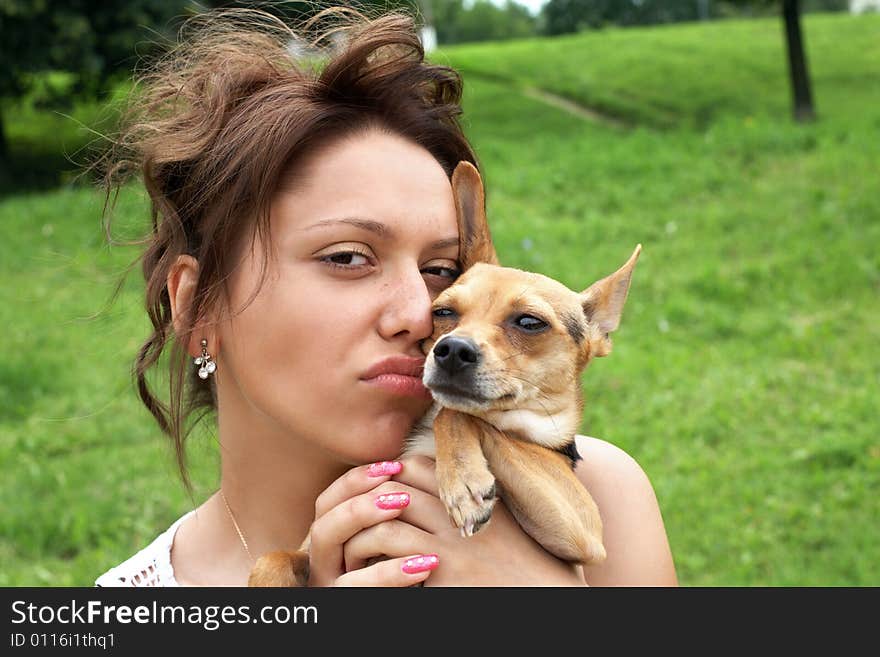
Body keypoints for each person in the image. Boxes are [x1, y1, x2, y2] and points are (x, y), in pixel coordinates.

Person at [95, 6, 677, 587]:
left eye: (441, 270)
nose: (421, 316)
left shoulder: (604, 492)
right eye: (347, 257)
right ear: (197, 307)